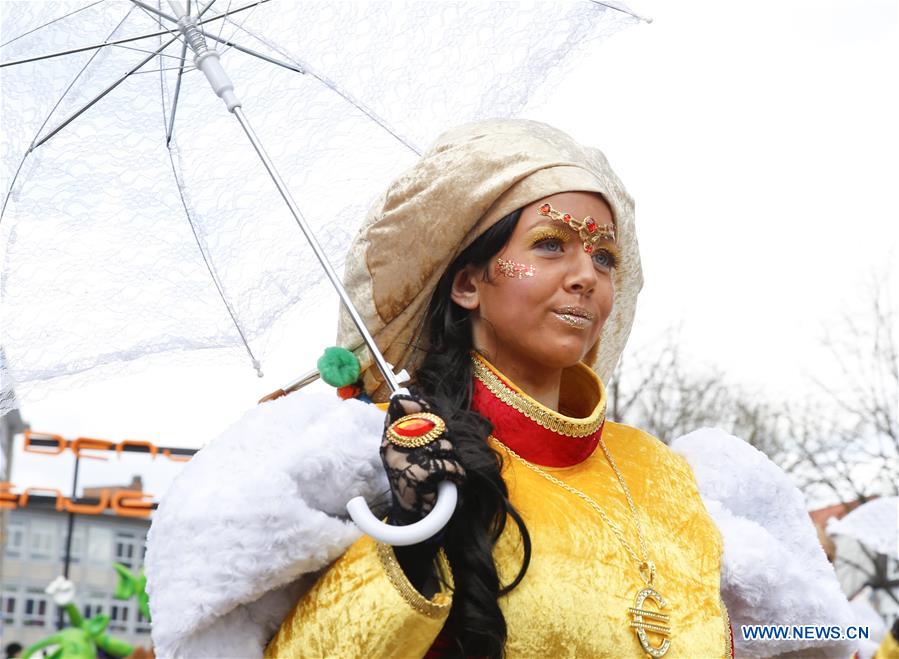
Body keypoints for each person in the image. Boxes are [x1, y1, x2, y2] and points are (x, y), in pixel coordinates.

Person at [146, 119, 856, 658]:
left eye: (604, 255)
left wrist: (851, 623)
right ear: (467, 283)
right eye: (551, 244)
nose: (586, 274)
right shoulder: (382, 465)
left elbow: (818, 629)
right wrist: (412, 539)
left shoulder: (677, 474)